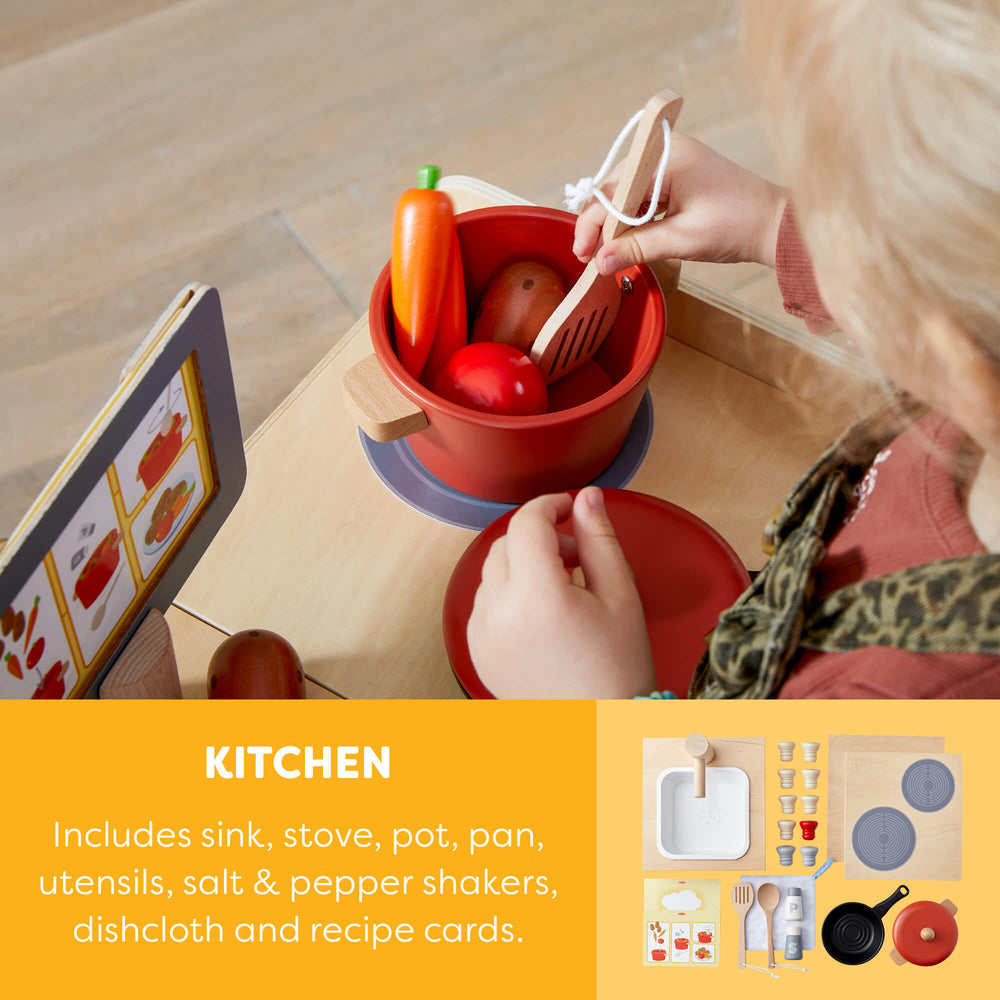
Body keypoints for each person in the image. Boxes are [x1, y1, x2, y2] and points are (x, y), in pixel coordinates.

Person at [467, 0, 1000, 699]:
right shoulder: (971, 393)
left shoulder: (904, 710)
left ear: (950, 346)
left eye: (831, 205)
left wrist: (601, 709)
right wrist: (772, 224)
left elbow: (753, 778)